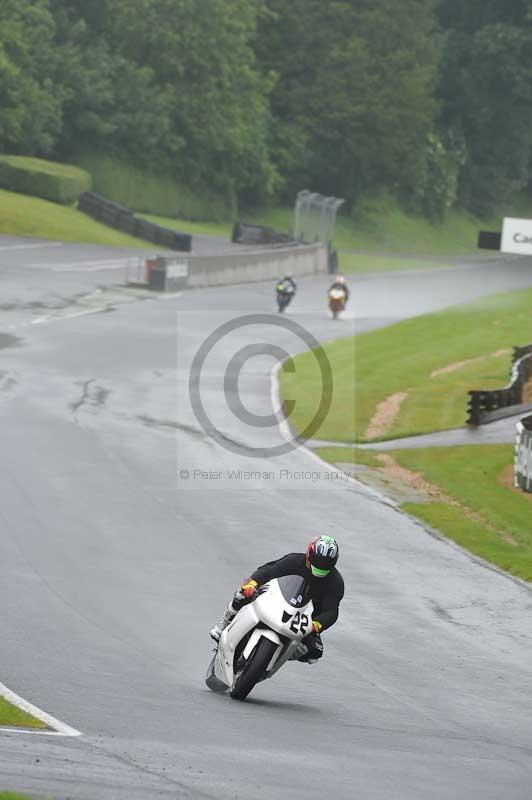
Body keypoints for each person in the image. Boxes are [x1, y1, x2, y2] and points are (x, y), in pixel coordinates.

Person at [209, 535, 344, 664]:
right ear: (309, 554)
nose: (321, 566)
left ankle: (274, 658)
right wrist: (253, 583)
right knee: (242, 594)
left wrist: (317, 624)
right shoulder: (294, 561)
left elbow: (331, 611)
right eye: (318, 561)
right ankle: (224, 626)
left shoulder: (336, 582)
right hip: (277, 600)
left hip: (304, 620)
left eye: (326, 563)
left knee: (314, 652)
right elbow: (269, 570)